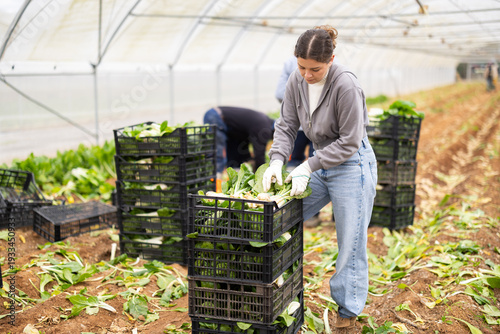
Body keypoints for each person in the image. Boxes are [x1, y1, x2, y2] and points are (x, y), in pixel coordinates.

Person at [262, 25, 377, 333]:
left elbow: (351, 140)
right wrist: (276, 161)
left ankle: (347, 311)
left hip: (351, 164)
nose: (307, 75)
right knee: (279, 215)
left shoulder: (345, 85)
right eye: (301, 67)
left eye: (315, 69)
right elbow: (286, 125)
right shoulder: (296, 82)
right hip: (318, 162)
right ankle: (271, 288)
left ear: (331, 60)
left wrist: (308, 166)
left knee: (350, 240)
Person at [203, 105, 274, 178]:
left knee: (235, 156)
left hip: (225, 123)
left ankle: (230, 180)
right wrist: (261, 174)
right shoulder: (264, 126)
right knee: (219, 154)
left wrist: (249, 159)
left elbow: (243, 144)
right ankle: (216, 183)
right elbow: (259, 154)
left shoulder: (264, 122)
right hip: (216, 117)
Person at [276, 55, 315, 169]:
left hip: (298, 127)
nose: (307, 75)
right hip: (313, 127)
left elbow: (279, 94)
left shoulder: (290, 62)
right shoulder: (333, 62)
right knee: (315, 164)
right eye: (302, 68)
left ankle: (292, 182)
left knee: (295, 162)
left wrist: (296, 101)